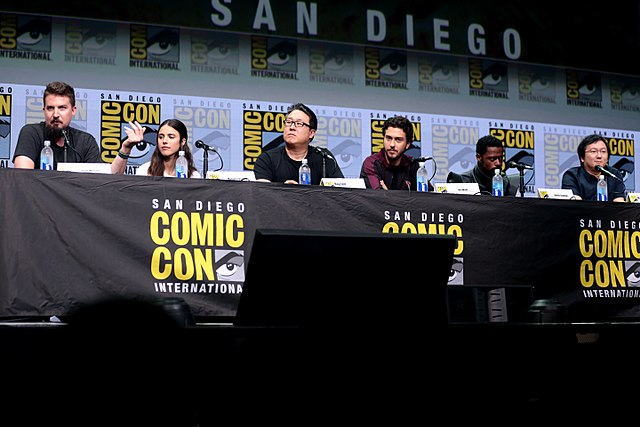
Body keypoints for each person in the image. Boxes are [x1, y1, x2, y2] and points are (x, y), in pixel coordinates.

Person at [12, 81, 101, 169]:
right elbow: (22, 175)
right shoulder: (31, 133)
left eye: (62, 108)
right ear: (44, 110)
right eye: (50, 108)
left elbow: (97, 180)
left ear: (73, 110)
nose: (55, 115)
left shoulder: (86, 142)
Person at [253, 103, 344, 184]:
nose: (292, 127)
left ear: (311, 133)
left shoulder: (324, 158)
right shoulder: (267, 159)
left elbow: (341, 194)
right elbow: (262, 195)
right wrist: (284, 191)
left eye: (299, 123)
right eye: (288, 122)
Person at [359, 115, 433, 191]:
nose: (392, 144)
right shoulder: (372, 163)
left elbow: (428, 197)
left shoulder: (413, 165)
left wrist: (388, 194)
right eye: (388, 138)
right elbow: (377, 198)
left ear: (407, 144)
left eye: (398, 140)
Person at [111, 118, 201, 178]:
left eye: (171, 137)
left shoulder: (193, 175)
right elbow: (113, 181)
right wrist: (126, 148)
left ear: (182, 141)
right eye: (161, 137)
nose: (164, 141)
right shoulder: (145, 170)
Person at [561, 133, 625, 202]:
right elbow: (576, 205)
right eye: (593, 151)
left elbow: (619, 205)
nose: (599, 156)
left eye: (603, 151)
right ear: (582, 157)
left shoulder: (614, 175)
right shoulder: (572, 176)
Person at [446, 134, 517, 196]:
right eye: (492, 159)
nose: (498, 163)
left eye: (500, 158)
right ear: (479, 157)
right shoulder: (463, 182)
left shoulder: (506, 183)